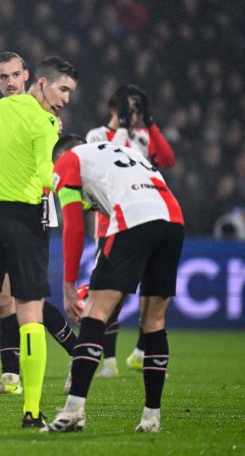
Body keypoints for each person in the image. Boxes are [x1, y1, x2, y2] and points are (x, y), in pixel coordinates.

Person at [0, 56, 78, 428]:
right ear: (40, 83)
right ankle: (33, 412)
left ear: (24, 77)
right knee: (30, 314)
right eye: (62, 89)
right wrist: (73, 181)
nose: (65, 99)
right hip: (25, 218)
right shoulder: (46, 121)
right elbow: (43, 174)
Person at [43, 135, 184, 433]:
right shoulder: (122, 154)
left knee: (95, 312)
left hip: (134, 219)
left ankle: (73, 412)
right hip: (173, 220)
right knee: (154, 320)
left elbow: (73, 225)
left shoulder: (68, 160)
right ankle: (151, 417)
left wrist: (69, 284)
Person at [85, 85, 176, 378]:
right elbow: (116, 156)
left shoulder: (142, 135)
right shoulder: (97, 136)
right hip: (111, 225)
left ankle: (139, 353)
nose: (133, 115)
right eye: (130, 109)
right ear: (115, 108)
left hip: (146, 220)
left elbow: (168, 159)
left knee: (153, 291)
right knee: (114, 295)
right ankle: (108, 360)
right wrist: (122, 126)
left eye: (138, 109)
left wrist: (149, 122)